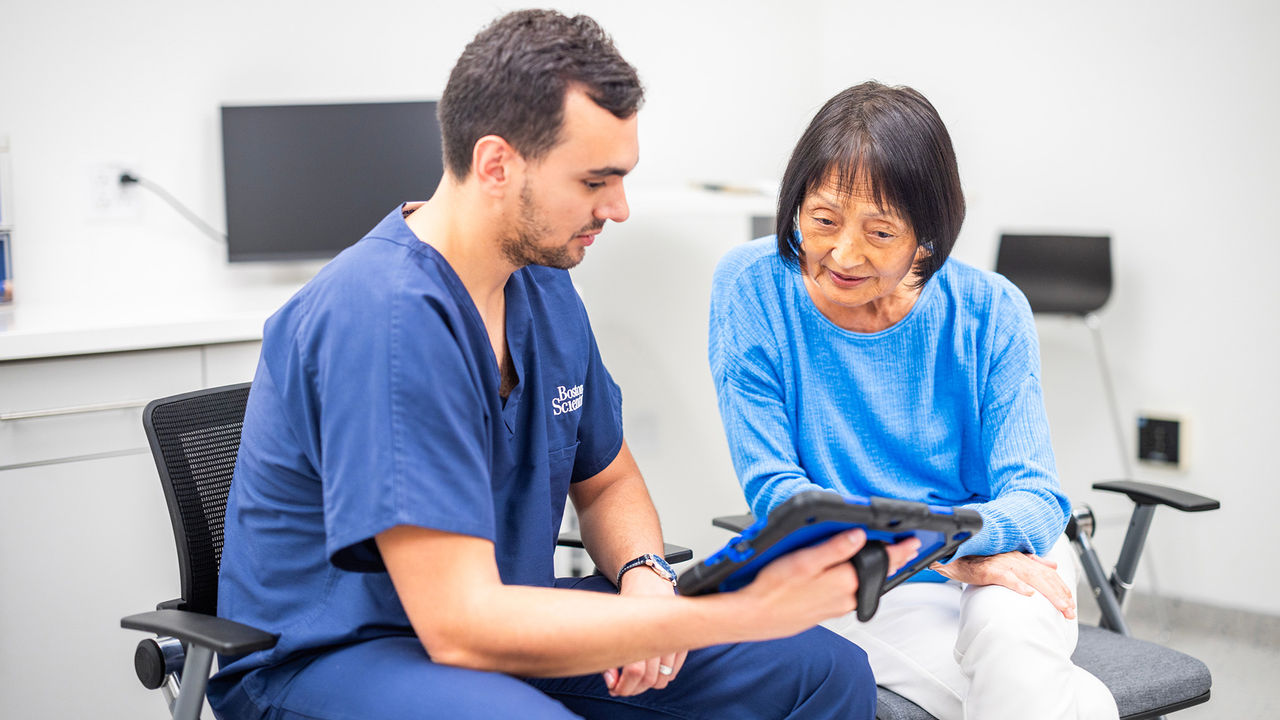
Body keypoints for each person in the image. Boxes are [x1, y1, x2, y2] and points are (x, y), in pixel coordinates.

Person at [208, 12, 920, 720]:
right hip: (340, 656)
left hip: (508, 623)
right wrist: (740, 612)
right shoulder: (386, 317)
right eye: (594, 182)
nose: (620, 208)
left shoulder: (542, 285)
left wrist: (647, 580)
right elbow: (458, 626)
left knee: (823, 671)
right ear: (496, 165)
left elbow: (608, 479)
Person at [708, 81, 1121, 720]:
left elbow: (1036, 497)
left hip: (1004, 555)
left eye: (879, 231)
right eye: (822, 220)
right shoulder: (752, 287)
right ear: (793, 208)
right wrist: (928, 548)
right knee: (1052, 702)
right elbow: (778, 493)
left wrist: (960, 548)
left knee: (1013, 651)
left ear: (927, 236)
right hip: (860, 574)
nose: (843, 253)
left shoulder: (991, 310)